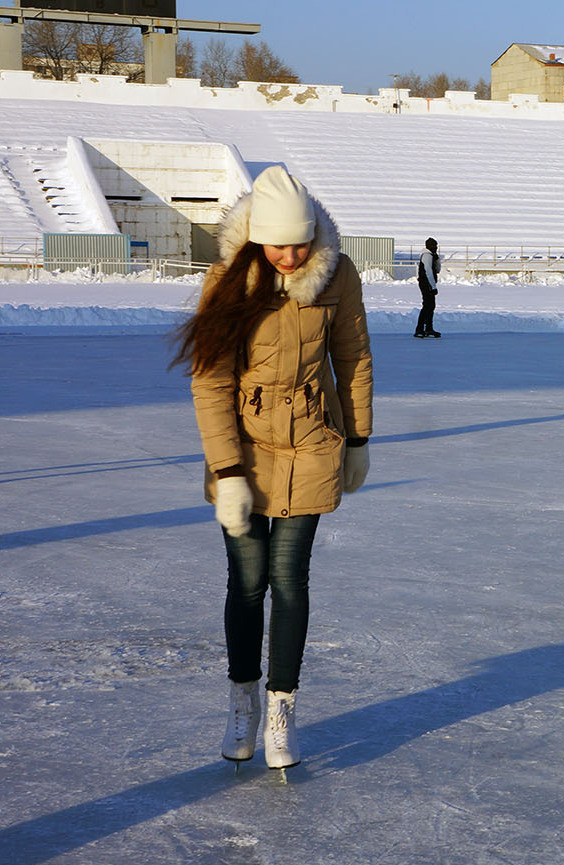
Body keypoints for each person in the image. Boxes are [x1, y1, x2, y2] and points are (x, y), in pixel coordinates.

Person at [172, 166, 374, 768]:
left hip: (312, 443)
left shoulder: (338, 278)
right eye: (278, 243)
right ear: (257, 236)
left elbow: (353, 358)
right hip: (246, 451)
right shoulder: (228, 283)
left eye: (300, 242)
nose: (290, 255)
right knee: (247, 579)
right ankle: (243, 700)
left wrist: (358, 438)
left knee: (289, 579)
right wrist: (226, 470)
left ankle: (282, 708)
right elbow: (209, 383)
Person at [415, 237, 441, 338]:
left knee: (430, 306)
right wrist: (433, 286)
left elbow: (437, 270)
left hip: (428, 283)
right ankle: (421, 329)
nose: (436, 248)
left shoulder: (431, 256)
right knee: (427, 305)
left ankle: (427, 328)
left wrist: (437, 260)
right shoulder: (426, 256)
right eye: (434, 246)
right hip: (426, 283)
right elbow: (428, 272)